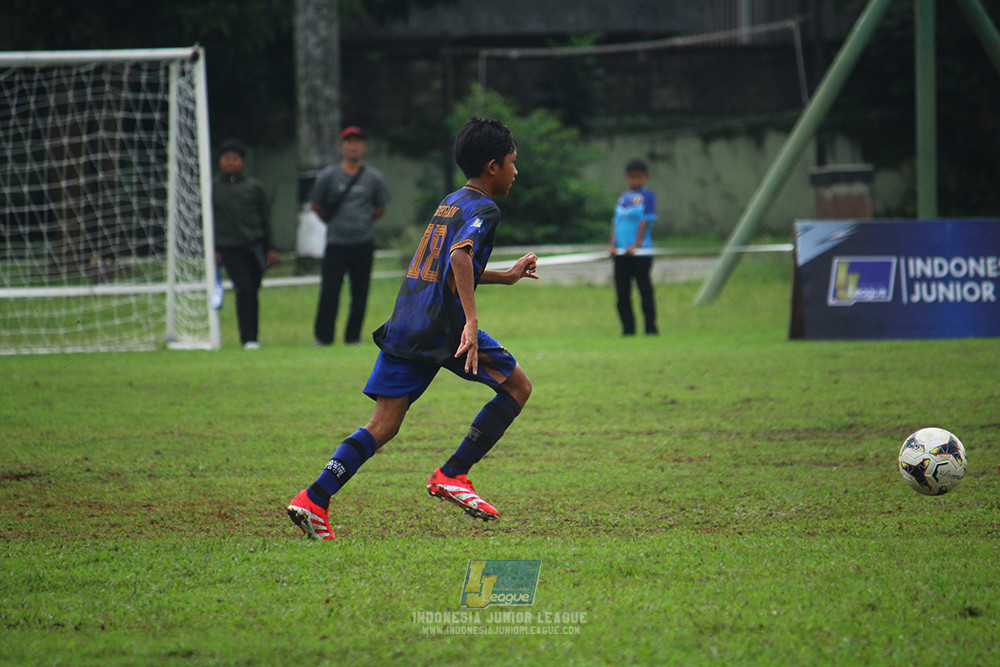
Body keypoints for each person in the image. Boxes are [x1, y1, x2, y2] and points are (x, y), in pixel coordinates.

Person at [287, 117, 538, 540]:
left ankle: (314, 497)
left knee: (383, 424)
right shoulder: (486, 209)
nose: (516, 170)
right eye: (513, 162)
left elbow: (450, 265)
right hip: (441, 329)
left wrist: (506, 275)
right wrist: (471, 322)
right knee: (518, 387)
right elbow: (459, 258)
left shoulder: (451, 201)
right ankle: (452, 473)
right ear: (493, 166)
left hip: (407, 321)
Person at [309, 126, 391, 346]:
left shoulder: (374, 177)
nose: (353, 146)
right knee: (330, 291)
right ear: (341, 147)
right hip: (336, 242)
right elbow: (316, 204)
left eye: (357, 142)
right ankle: (323, 337)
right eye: (349, 142)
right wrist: (333, 222)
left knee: (360, 293)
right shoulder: (329, 176)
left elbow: (381, 207)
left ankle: (353, 337)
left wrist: (363, 222)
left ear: (364, 147)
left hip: (363, 242)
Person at [212, 138, 281, 349]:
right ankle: (247, 338)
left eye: (235, 158)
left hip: (254, 247)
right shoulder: (213, 187)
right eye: (226, 158)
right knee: (243, 289)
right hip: (229, 247)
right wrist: (213, 248)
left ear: (242, 161)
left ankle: (253, 336)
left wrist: (270, 247)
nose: (230, 162)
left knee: (253, 289)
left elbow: (265, 218)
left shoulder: (253, 186)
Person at [608, 158, 658, 336]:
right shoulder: (623, 198)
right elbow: (616, 222)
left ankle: (650, 329)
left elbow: (645, 221)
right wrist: (612, 245)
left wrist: (636, 245)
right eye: (631, 177)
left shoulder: (648, 196)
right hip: (621, 254)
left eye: (638, 177)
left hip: (640, 253)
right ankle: (628, 329)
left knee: (645, 291)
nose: (634, 180)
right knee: (622, 293)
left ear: (645, 177)